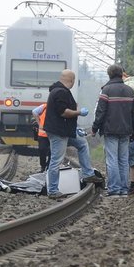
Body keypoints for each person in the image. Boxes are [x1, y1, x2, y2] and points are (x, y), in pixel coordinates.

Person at [43, 69, 103, 198]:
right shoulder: (60, 92)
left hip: (65, 130)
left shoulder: (59, 91)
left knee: (82, 144)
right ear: (72, 80)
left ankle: (88, 174)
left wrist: (75, 128)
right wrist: (79, 112)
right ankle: (53, 190)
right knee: (56, 160)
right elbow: (63, 112)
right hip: (59, 132)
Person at [91, 64, 134, 197]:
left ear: (109, 75)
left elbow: (100, 111)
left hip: (111, 129)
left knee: (112, 159)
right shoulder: (129, 91)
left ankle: (114, 189)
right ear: (121, 74)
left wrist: (95, 128)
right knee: (123, 159)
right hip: (126, 130)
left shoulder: (106, 90)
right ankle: (123, 189)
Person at [32, 103, 50, 172]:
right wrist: (39, 124)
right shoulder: (45, 106)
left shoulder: (59, 107)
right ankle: (43, 166)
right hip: (43, 135)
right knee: (42, 150)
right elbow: (34, 111)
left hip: (54, 135)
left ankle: (48, 168)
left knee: (52, 152)